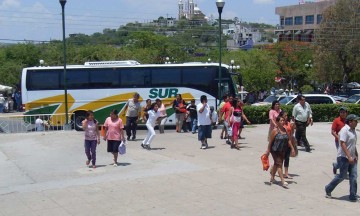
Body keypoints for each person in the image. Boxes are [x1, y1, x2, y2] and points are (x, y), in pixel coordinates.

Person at [325, 114, 359, 202]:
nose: (357, 122)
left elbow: (352, 143)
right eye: (355, 121)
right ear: (350, 122)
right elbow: (342, 143)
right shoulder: (344, 130)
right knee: (342, 176)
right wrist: (349, 156)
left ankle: (353, 195)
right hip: (344, 157)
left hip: (352, 157)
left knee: (354, 176)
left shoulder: (353, 130)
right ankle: (328, 188)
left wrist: (355, 153)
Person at [265, 115, 295, 188]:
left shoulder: (285, 130)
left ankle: (272, 177)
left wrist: (292, 148)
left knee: (276, 163)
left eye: (283, 120)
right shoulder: (275, 131)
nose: (282, 122)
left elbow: (288, 140)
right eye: (281, 121)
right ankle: (283, 181)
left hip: (282, 150)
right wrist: (268, 150)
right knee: (279, 164)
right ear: (277, 122)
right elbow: (270, 142)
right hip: (275, 150)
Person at [331, 106, 348, 174]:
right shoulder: (336, 120)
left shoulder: (348, 120)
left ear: (346, 113)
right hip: (339, 141)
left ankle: (336, 165)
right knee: (341, 155)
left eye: (344, 112)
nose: (342, 114)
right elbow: (332, 132)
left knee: (347, 155)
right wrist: (338, 137)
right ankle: (342, 171)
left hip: (347, 141)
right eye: (341, 112)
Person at [281, 110, 296, 179]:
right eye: (284, 116)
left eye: (287, 116)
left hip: (289, 143)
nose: (286, 117)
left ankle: (286, 173)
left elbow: (292, 133)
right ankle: (273, 170)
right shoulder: (280, 124)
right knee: (280, 159)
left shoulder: (289, 123)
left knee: (287, 158)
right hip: (282, 144)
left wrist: (293, 126)